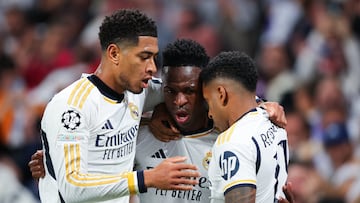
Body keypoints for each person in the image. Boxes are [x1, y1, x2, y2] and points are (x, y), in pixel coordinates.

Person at [30, 39, 295, 203]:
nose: (179, 100)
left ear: (208, 91)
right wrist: (53, 164)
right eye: (171, 91)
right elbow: (90, 167)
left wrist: (265, 105)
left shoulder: (230, 138)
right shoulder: (139, 133)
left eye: (190, 91)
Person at [36, 9, 200, 203]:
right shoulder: (71, 106)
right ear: (114, 53)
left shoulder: (139, 92)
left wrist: (157, 113)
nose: (152, 67)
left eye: (154, 58)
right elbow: (73, 188)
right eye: (144, 57)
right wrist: (147, 178)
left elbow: (189, 91)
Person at [201, 51, 289, 203]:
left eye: (208, 101)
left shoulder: (232, 141)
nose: (209, 113)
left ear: (221, 94)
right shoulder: (273, 120)